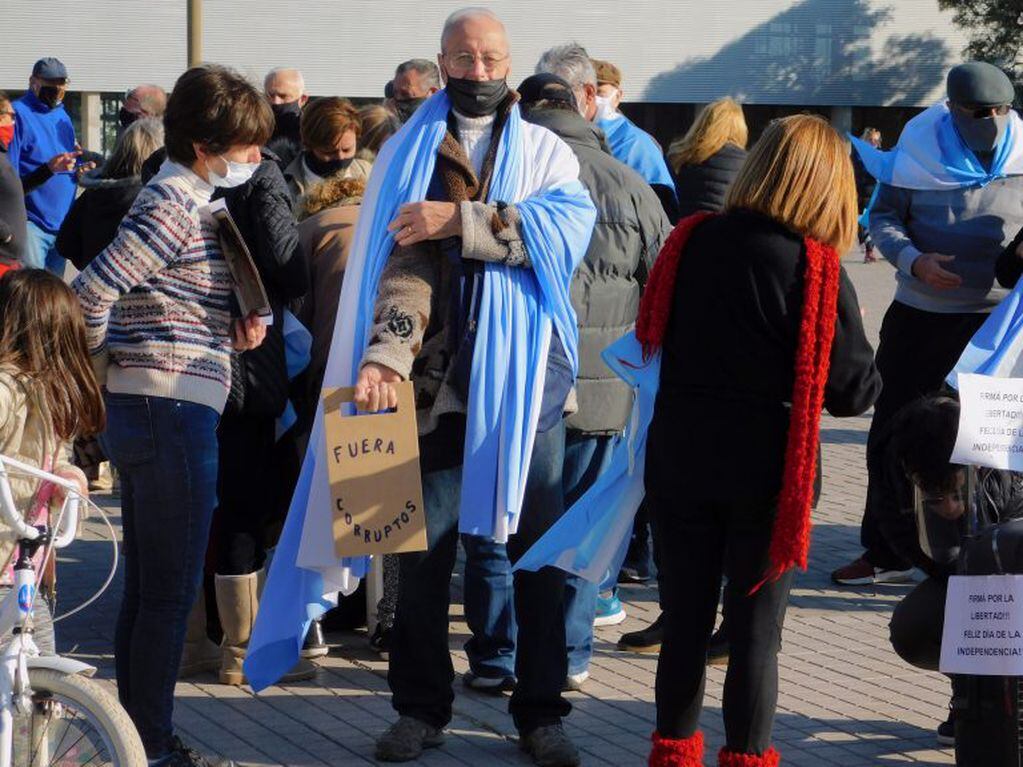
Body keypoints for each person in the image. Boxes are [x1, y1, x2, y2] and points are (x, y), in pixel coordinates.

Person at [243, 8, 597, 765]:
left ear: (508, 63)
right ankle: (418, 708)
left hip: (528, 385)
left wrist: (459, 220)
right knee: (413, 554)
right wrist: (383, 357)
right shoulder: (405, 151)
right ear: (442, 65)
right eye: (463, 59)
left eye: (490, 57)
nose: (478, 71)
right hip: (427, 386)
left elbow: (564, 235)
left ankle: (541, 711)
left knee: (537, 556)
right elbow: (399, 271)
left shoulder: (545, 149)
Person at [643, 114, 880, 767]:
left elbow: (651, 332)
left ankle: (670, 752)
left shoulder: (690, 238)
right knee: (752, 635)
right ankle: (744, 757)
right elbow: (852, 391)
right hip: (768, 469)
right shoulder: (815, 265)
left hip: (680, 454)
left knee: (683, 621)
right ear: (828, 183)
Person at [73, 64, 270, 767]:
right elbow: (91, 292)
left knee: (150, 589)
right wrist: (109, 363)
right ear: (205, 142)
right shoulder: (174, 202)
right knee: (168, 591)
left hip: (160, 403)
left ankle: (134, 738)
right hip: (166, 405)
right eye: (246, 145)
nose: (254, 159)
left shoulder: (183, 196)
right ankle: (151, 745)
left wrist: (223, 323)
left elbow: (145, 292)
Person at [457, 72, 671, 694]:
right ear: (585, 106)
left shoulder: (500, 180)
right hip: (605, 387)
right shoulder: (632, 184)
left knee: (497, 521)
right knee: (582, 528)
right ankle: (572, 652)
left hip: (516, 379)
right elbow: (661, 286)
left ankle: (497, 655)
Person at [832, 61, 1023, 587]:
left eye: (1003, 110)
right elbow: (883, 216)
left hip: (998, 324)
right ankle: (884, 550)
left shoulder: (1022, 148)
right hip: (924, 315)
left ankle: (989, 553)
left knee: (992, 446)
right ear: (953, 107)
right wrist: (914, 260)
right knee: (892, 432)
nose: (993, 120)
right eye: (980, 112)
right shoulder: (917, 146)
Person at [618, 97, 750, 659]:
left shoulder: (682, 163)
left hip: (684, 322)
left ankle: (677, 615)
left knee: (676, 495)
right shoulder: (748, 167)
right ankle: (728, 624)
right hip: (735, 340)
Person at [203, 139, 314, 687]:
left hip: (179, 363)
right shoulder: (261, 175)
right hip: (246, 362)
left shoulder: (163, 170)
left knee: (197, 502)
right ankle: (241, 651)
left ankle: (195, 642)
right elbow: (290, 268)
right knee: (246, 502)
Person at [0, 270, 104, 657]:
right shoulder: (8, 386)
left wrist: (68, 477)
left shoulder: (49, 393)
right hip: (8, 560)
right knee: (36, 661)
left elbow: (56, 459)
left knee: (37, 667)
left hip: (25, 562)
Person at [57, 118, 164, 271]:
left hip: (93, 284)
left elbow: (65, 244)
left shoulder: (95, 190)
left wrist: (90, 266)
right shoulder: (153, 199)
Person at [8, 58, 83, 276]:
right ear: (33, 82)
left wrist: (79, 167)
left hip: (61, 225)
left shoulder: (62, 116)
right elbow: (9, 177)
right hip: (32, 224)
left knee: (52, 300)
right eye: (51, 84)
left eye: (61, 84)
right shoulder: (18, 114)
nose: (57, 90)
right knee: (31, 298)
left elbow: (65, 161)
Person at [593, 56, 678, 221]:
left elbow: (662, 205)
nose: (595, 99)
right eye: (589, 92)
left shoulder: (638, 144)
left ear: (618, 96)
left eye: (600, 92)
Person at [669, 98, 748, 217]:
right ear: (741, 128)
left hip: (684, 230)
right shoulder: (746, 163)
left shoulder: (681, 156)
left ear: (702, 123)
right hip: (725, 230)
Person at [284, 97, 371, 201]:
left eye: (347, 150)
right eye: (330, 152)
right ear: (309, 145)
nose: (340, 157)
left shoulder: (370, 174)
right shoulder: (286, 185)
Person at [0, 92, 26, 272]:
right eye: (11, 116)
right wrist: (6, 235)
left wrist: (48, 170)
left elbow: (12, 193)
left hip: (9, 260)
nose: (13, 123)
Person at [264, 67, 308, 169]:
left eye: (283, 96)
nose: (275, 102)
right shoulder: (252, 130)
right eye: (270, 95)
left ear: (302, 99)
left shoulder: (311, 134)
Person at [853, 127, 882, 264]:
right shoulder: (859, 153)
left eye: (876, 141)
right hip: (864, 191)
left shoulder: (878, 153)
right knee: (865, 220)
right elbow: (863, 169)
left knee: (873, 220)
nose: (874, 143)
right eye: (871, 140)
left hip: (876, 190)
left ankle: (869, 249)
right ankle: (869, 250)